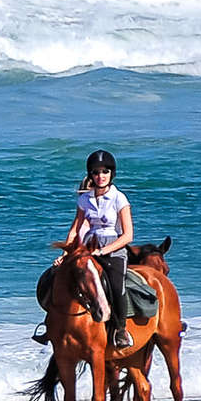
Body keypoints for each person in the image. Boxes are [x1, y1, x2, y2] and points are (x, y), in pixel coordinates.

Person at [60, 149, 135, 349]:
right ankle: (55, 324)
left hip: (113, 248)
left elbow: (128, 235)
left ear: (111, 174)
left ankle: (120, 329)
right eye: (95, 172)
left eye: (104, 172)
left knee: (116, 285)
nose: (100, 176)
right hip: (88, 246)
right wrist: (66, 253)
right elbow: (76, 229)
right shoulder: (85, 200)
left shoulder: (119, 198)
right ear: (90, 175)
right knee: (60, 278)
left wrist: (104, 251)